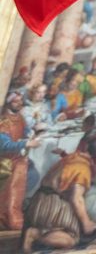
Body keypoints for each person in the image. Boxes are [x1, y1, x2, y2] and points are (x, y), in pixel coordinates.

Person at [0, 92, 41, 229]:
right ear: (8, 103)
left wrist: (30, 132)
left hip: (18, 160)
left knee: (32, 173)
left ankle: (16, 215)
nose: (19, 103)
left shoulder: (20, 117)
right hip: (5, 162)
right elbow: (5, 146)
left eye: (20, 100)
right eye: (16, 101)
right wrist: (27, 144)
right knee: (12, 193)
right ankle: (11, 220)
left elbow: (24, 131)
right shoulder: (4, 122)